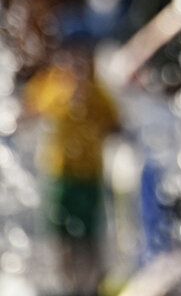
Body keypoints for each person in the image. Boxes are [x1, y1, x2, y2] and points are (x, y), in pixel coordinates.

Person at [21, 24, 122, 296]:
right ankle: (69, 286)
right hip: (60, 174)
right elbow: (28, 110)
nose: (78, 63)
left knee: (89, 236)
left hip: (88, 175)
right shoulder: (53, 84)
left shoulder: (98, 93)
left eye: (84, 57)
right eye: (73, 56)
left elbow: (117, 125)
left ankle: (94, 284)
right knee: (62, 236)